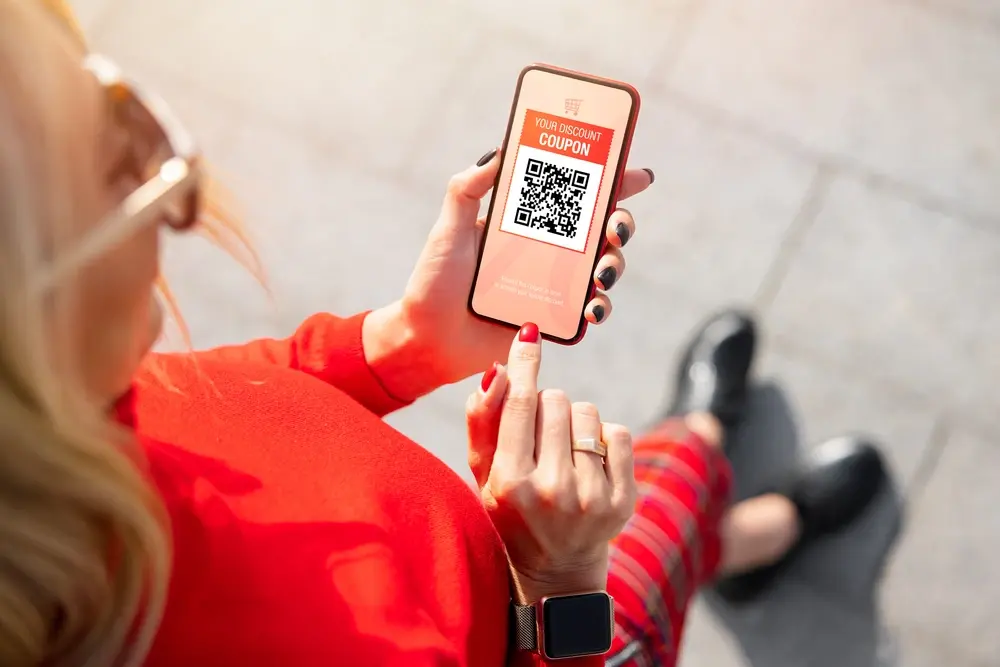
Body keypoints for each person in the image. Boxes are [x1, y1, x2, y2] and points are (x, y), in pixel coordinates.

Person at [0, 1, 888, 666]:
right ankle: (732, 495)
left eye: (106, 88)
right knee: (666, 486)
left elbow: (210, 400)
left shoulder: (53, 416)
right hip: (555, 631)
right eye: (111, 158)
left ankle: (728, 533)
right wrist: (564, 578)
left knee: (660, 505)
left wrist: (402, 346)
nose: (176, 194)